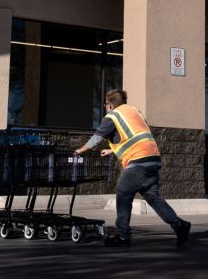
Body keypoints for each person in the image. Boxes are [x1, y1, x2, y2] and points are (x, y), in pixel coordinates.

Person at [76, 88, 191, 247]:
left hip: (138, 161)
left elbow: (97, 137)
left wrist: (80, 150)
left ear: (109, 104)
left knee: (123, 192)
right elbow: (133, 137)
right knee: (153, 198)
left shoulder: (112, 116)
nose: (105, 107)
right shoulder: (134, 111)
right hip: (153, 159)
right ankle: (179, 225)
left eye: (105, 104)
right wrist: (112, 150)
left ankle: (123, 236)